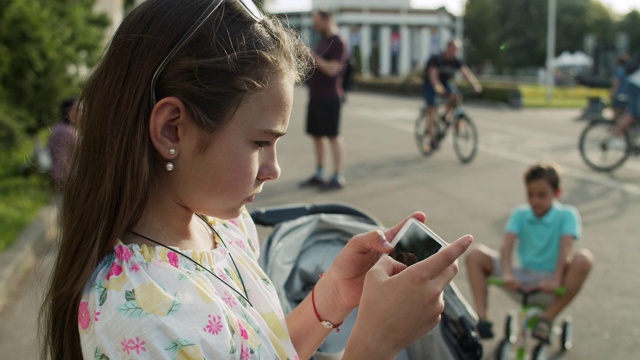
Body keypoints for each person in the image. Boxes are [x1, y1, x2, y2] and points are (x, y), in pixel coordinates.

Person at [40, 1, 473, 359]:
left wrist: (333, 298)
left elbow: (263, 348)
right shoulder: (135, 312)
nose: (275, 169)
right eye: (260, 142)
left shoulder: (225, 226)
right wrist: (374, 344)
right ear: (173, 129)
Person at [465, 161, 594, 344]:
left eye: (542, 195)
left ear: (557, 193)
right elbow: (507, 246)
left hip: (552, 283)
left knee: (584, 259)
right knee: (475, 255)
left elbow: (566, 249)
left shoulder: (567, 215)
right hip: (521, 277)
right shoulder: (520, 214)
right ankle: (483, 319)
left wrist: (556, 278)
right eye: (530, 195)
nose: (535, 201)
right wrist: (508, 273)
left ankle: (547, 319)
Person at [299, 10, 349, 191]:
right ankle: (320, 173)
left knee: (333, 135)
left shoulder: (338, 42)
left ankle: (337, 175)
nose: (315, 25)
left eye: (317, 21)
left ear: (327, 20)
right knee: (317, 135)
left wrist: (312, 55)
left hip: (330, 97)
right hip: (316, 96)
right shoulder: (323, 41)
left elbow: (332, 70)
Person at [422, 39, 482, 150]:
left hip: (444, 83)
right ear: (448, 48)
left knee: (456, 96)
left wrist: (475, 84)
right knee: (431, 107)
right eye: (454, 48)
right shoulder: (437, 59)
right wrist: (437, 87)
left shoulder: (456, 61)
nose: (456, 51)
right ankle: (430, 135)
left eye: (458, 49)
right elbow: (433, 75)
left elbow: (466, 72)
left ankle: (445, 116)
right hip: (430, 84)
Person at [47, 97, 78, 190]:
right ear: (69, 111)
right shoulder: (66, 131)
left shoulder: (59, 127)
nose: (83, 114)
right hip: (66, 180)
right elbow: (62, 159)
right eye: (79, 110)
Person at [610, 53, 630, 120]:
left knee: (616, 110)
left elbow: (616, 84)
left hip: (619, 94)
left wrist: (612, 94)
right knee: (627, 112)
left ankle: (616, 125)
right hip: (628, 94)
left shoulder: (619, 70)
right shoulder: (630, 70)